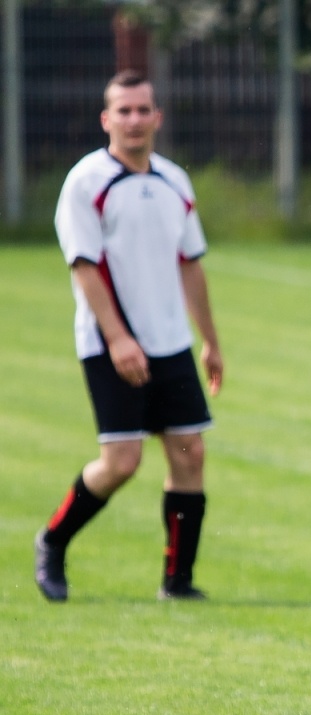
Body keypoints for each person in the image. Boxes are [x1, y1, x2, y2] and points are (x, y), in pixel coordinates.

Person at [34, 70, 223, 603]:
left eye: (144, 110)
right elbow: (84, 267)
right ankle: (52, 540)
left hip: (171, 344)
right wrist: (118, 339)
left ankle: (177, 583)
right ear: (106, 119)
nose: (135, 120)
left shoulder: (173, 181)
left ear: (157, 117)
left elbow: (191, 265)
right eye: (124, 110)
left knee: (189, 455)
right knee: (122, 463)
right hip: (108, 343)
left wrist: (209, 341)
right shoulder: (86, 182)